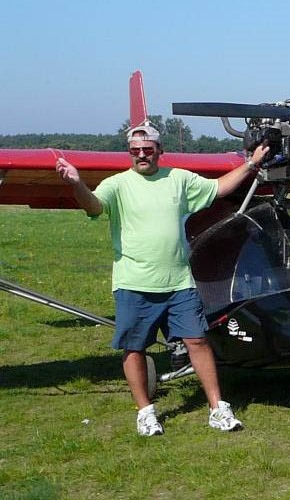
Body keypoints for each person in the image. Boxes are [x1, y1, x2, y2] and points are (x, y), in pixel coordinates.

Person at [55, 123, 267, 437]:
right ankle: (145, 412)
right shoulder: (117, 184)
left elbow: (219, 188)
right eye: (135, 151)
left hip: (179, 281)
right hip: (134, 283)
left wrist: (251, 163)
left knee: (197, 341)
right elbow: (94, 207)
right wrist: (76, 184)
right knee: (134, 347)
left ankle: (217, 408)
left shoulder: (178, 179)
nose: (142, 155)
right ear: (129, 153)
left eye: (148, 150)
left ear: (159, 151)